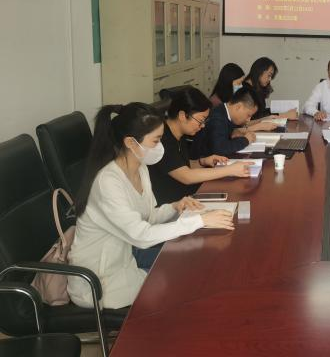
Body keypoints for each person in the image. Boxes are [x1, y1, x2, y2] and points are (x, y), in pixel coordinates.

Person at [68, 103, 234, 309]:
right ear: (131, 142)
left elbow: (147, 216)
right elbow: (141, 235)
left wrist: (175, 207)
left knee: (192, 261)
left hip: (125, 262)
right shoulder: (108, 182)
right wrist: (198, 221)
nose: (160, 147)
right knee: (184, 284)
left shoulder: (140, 168)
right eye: (156, 141)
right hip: (98, 282)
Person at [149, 86, 252, 206]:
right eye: (200, 120)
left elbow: (180, 165)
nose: (202, 126)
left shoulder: (179, 133)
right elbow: (186, 176)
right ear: (182, 115)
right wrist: (230, 170)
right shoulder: (162, 139)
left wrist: (202, 162)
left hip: (187, 197)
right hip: (173, 206)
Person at [190, 87, 258, 159]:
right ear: (238, 106)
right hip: (201, 161)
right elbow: (220, 149)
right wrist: (246, 140)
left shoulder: (225, 113)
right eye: (248, 115)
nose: (248, 120)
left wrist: (235, 132)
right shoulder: (217, 117)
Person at [242, 57, 298, 121]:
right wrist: (283, 115)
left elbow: (261, 112)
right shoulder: (244, 90)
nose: (270, 79)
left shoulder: (257, 88)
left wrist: (281, 111)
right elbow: (253, 118)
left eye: (271, 76)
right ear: (259, 71)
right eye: (269, 75)